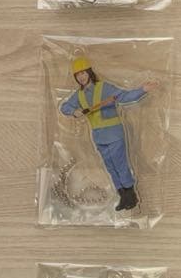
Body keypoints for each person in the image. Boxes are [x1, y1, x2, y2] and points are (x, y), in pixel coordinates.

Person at [59, 56, 159, 212]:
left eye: (83, 73)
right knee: (110, 167)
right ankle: (123, 196)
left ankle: (131, 196)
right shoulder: (78, 95)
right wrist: (74, 111)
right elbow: (64, 107)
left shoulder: (104, 88)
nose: (81, 77)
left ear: (89, 72)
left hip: (114, 134)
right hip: (98, 137)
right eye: (78, 75)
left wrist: (142, 90)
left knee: (120, 165)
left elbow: (124, 96)